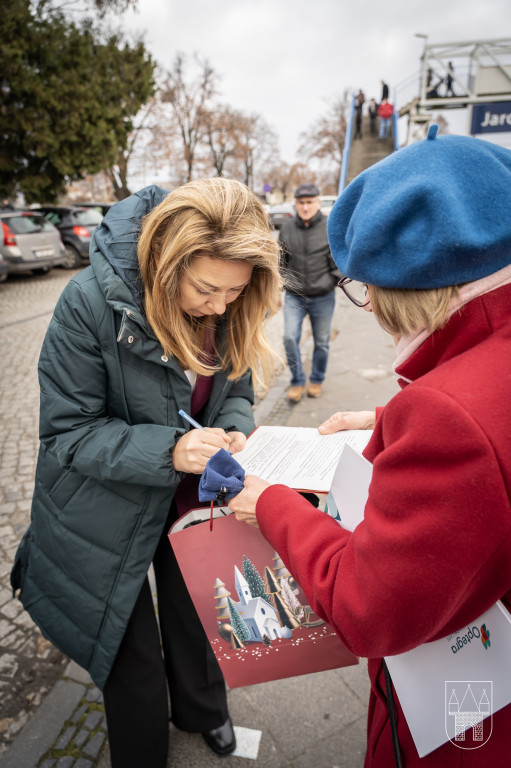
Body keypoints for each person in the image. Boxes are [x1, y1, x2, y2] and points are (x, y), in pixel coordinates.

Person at [228, 127, 511, 767]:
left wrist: (275, 504)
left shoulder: (445, 415)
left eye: (367, 289)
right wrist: (389, 419)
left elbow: (368, 608)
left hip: (469, 719)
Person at [10, 179, 282, 768]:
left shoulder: (227, 302)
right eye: (207, 289)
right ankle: (141, 752)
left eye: (235, 292)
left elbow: (234, 386)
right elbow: (69, 432)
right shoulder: (86, 301)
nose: (220, 307)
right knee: (127, 646)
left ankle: (204, 711)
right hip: (105, 510)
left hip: (192, 498)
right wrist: (172, 451)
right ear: (165, 263)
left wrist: (235, 425)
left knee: (199, 613)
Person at [279, 183, 342, 402]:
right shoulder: (287, 227)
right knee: (288, 338)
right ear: (296, 204)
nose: (305, 207)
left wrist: (332, 280)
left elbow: (338, 259)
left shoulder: (329, 226)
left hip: (322, 295)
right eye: (301, 203)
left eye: (309, 202)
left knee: (322, 341)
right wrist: (280, 285)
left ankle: (317, 379)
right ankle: (297, 381)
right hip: (294, 295)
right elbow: (281, 260)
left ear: (318, 203)